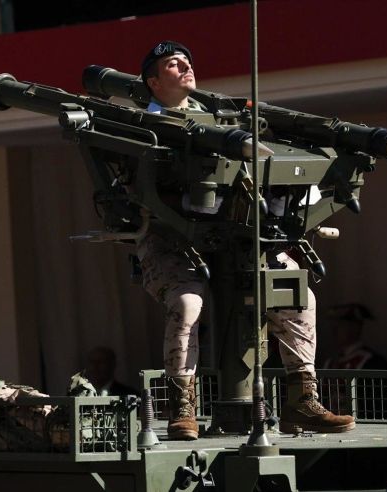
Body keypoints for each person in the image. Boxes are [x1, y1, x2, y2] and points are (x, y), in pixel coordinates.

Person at [137, 40, 355, 439]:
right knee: (187, 304)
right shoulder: (143, 128)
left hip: (239, 237)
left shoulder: (224, 120)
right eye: (172, 64)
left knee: (299, 297)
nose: (185, 66)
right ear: (153, 82)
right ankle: (182, 406)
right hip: (174, 240)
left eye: (187, 60)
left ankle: (301, 401)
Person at [323, 303, 387, 370]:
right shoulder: (330, 363)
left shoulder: (373, 362)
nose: (335, 330)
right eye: (334, 325)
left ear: (355, 328)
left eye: (341, 324)